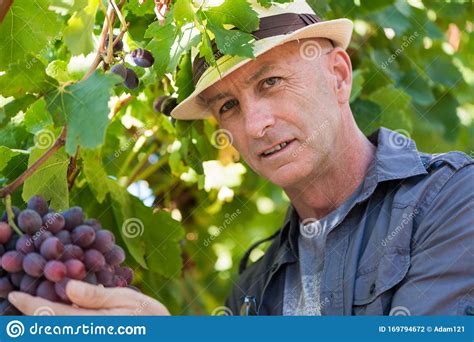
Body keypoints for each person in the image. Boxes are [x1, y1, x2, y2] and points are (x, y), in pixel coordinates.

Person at [9, 0, 473, 316]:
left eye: (270, 82)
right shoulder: (254, 288)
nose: (255, 125)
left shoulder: (454, 200)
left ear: (337, 76)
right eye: (228, 106)